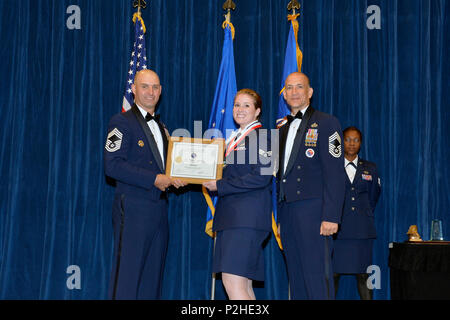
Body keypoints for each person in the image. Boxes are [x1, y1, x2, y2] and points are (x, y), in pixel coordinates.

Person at [104, 69, 184, 299]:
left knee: (152, 282)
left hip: (159, 209)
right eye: (145, 86)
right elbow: (112, 165)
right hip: (133, 208)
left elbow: (171, 169)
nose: (151, 92)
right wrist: (154, 179)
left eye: (155, 87)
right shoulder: (120, 122)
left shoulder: (162, 128)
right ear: (133, 89)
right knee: (127, 280)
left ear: (161, 91)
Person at [277, 72, 345, 299]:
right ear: (284, 94)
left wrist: (332, 216)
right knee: (296, 278)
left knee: (317, 278)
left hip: (315, 213)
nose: (294, 92)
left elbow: (335, 173)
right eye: (289, 88)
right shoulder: (282, 129)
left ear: (310, 92)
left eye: (299, 87)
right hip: (288, 212)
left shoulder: (327, 123)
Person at [203, 89, 273, 300]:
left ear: (257, 111)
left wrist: (220, 185)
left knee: (233, 283)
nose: (239, 109)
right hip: (233, 218)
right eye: (236, 105)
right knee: (242, 285)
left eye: (246, 105)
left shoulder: (264, 137)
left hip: (245, 219)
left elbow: (262, 177)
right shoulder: (236, 139)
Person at [333, 126, 381, 300]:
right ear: (341, 142)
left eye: (356, 140)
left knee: (364, 276)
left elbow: (374, 196)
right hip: (337, 230)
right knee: (332, 276)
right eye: (347, 139)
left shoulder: (371, 168)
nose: (351, 143)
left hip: (362, 231)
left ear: (361, 143)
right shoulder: (332, 166)